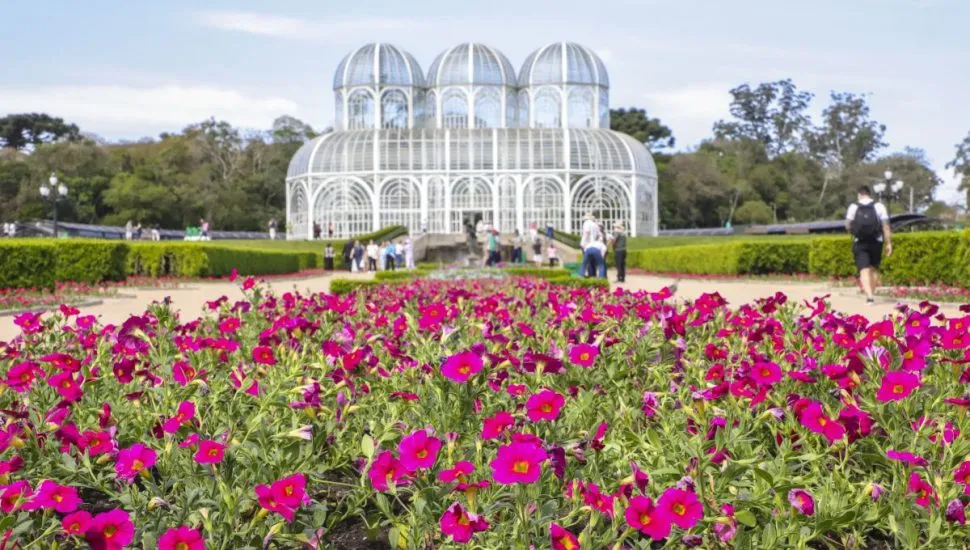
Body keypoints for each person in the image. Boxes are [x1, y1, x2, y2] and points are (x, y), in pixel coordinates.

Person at [846, 185, 892, 304]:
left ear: (859, 194)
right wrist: (889, 243)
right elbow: (886, 226)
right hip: (876, 241)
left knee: (864, 270)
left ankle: (869, 297)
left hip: (860, 241)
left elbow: (847, 224)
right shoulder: (879, 206)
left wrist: (854, 232)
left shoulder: (853, 206)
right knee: (873, 269)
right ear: (869, 194)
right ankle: (872, 292)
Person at [580, 212, 601, 277]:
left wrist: (583, 243)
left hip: (587, 244)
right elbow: (598, 235)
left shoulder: (586, 223)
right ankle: (593, 275)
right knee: (593, 262)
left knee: (587, 261)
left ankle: (590, 275)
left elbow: (586, 232)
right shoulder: (595, 224)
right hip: (594, 244)